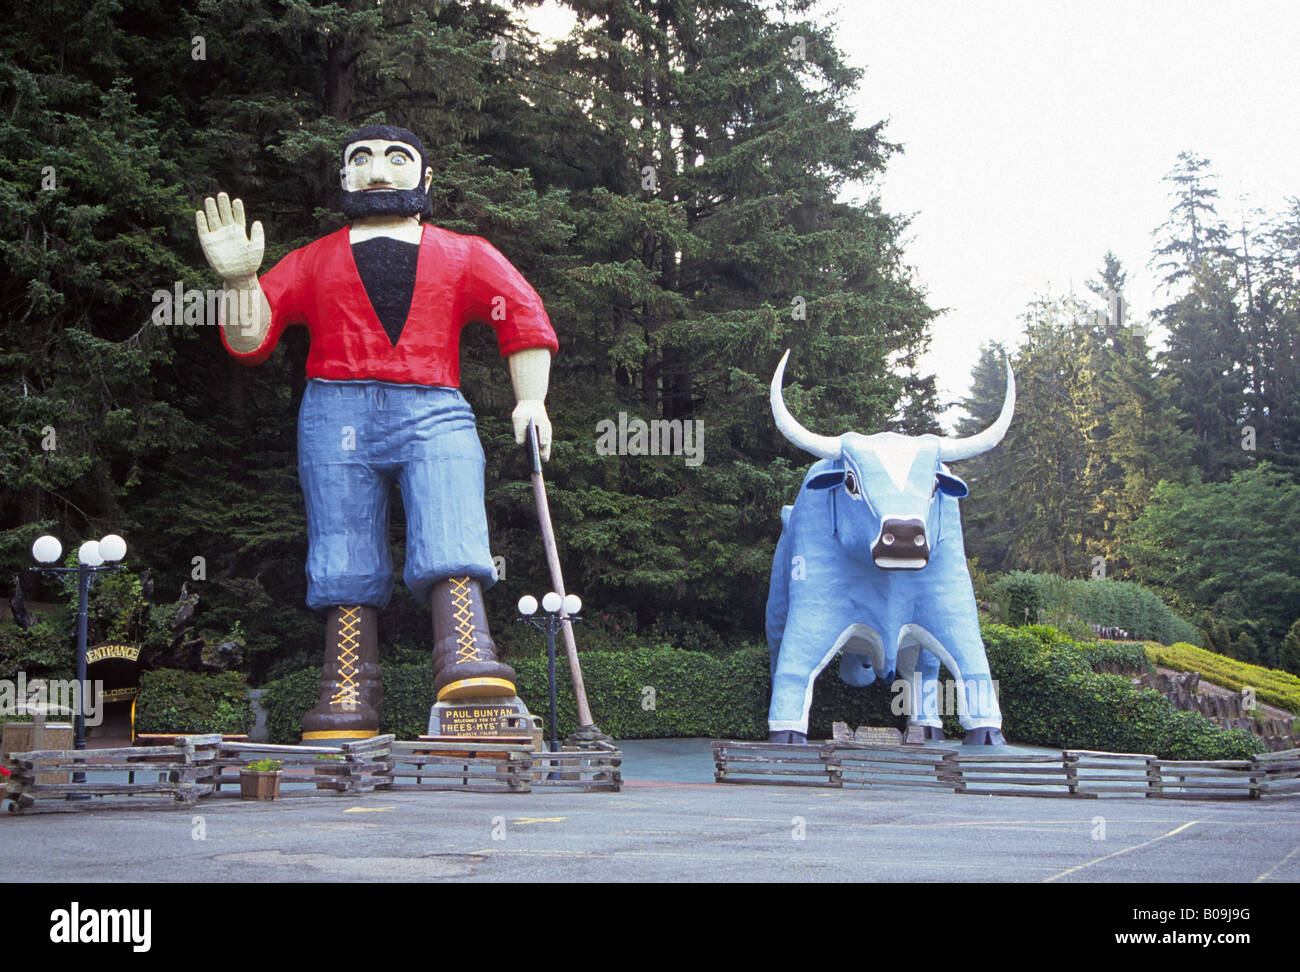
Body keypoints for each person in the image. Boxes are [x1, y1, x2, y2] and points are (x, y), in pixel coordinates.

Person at [195, 125, 557, 741]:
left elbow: (522, 315)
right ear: (344, 177)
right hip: (336, 409)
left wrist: (532, 400)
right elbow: (250, 340)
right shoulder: (313, 259)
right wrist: (238, 283)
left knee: (450, 510)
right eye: (360, 159)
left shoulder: (465, 254)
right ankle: (347, 685)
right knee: (341, 539)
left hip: (434, 405)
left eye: (396, 158)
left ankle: (466, 650)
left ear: (426, 177)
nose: (378, 171)